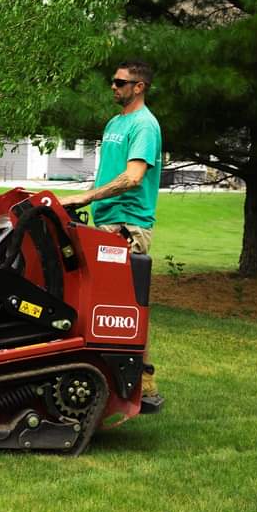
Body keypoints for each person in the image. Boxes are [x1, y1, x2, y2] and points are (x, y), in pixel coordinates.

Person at [60, 61, 162, 404]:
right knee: (98, 300)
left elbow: (133, 177)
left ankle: (141, 379)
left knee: (128, 302)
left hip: (128, 222)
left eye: (121, 83)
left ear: (139, 87)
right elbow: (110, 173)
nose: (113, 87)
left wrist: (87, 195)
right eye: (113, 82)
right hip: (108, 218)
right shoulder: (116, 123)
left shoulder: (145, 126)